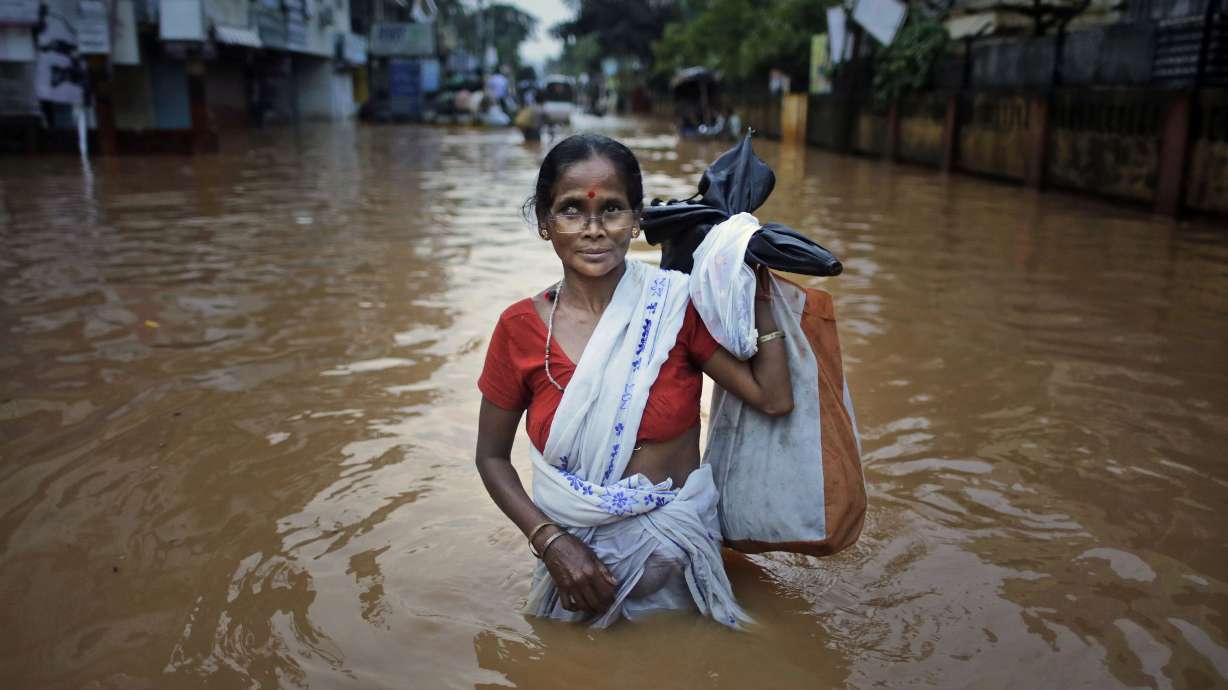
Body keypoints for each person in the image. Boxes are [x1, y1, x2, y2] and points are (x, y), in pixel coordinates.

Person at [475, 134, 793, 629]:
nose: (594, 229)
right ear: (544, 222)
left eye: (613, 210)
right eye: (571, 210)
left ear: (638, 219)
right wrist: (551, 541)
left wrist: (755, 283)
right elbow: (491, 458)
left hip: (683, 569)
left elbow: (772, 399)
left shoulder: (676, 308)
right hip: (576, 578)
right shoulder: (518, 329)